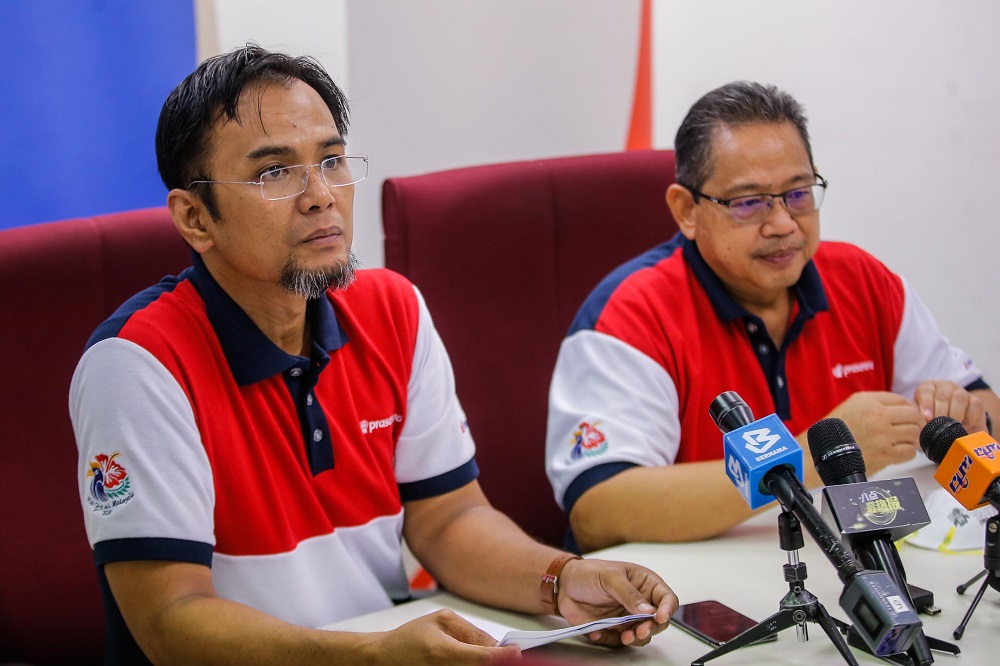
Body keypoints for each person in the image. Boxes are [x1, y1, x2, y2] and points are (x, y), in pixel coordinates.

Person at [70, 45, 678, 665]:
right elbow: (170, 622)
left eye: (331, 160)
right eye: (274, 173)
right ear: (195, 218)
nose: (320, 196)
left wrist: (561, 581)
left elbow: (447, 521)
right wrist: (372, 655)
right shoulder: (138, 361)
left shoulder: (394, 309)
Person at [545, 80, 1000, 553]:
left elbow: (987, 408)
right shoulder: (630, 315)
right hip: (700, 596)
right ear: (686, 211)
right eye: (748, 203)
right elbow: (599, 510)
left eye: (798, 193)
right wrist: (809, 455)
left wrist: (964, 421)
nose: (783, 224)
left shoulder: (863, 280)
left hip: (851, 565)